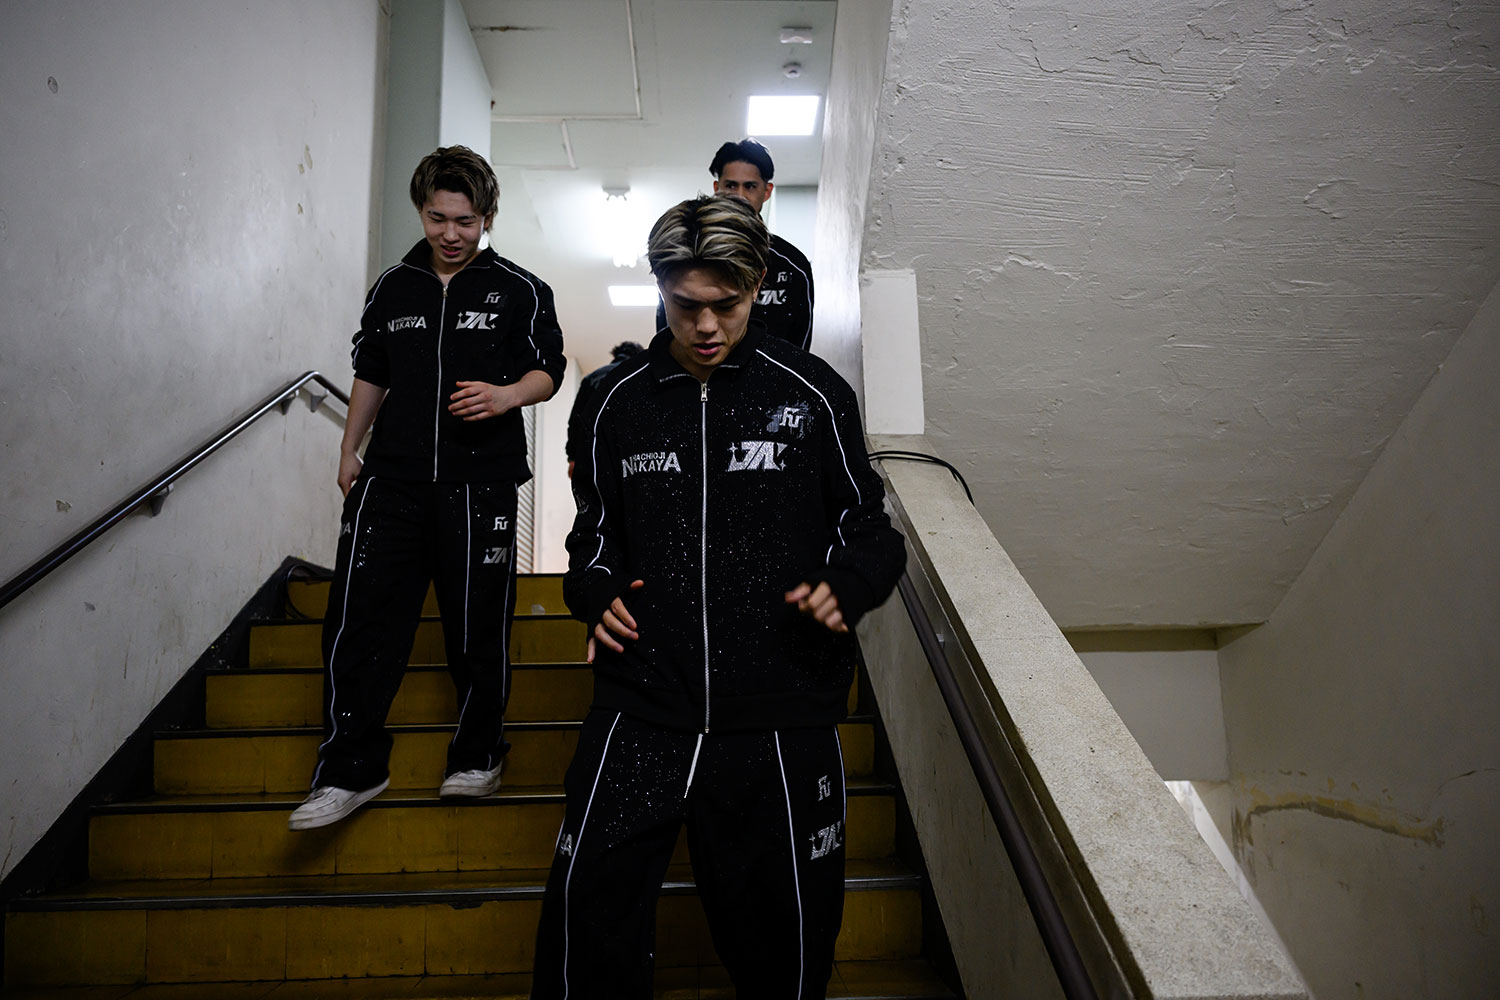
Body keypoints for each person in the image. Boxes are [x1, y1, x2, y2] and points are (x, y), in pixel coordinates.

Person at [531, 195, 904, 997]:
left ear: (757, 284)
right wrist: (594, 590)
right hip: (640, 706)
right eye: (684, 304)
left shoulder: (812, 394)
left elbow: (871, 530)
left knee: (784, 949)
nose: (704, 326)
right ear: (661, 288)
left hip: (778, 714)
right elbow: (593, 536)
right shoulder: (616, 400)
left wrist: (845, 585)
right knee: (587, 927)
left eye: (725, 305)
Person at [289, 146, 565, 831]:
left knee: (477, 625)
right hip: (392, 480)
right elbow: (372, 371)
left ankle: (477, 755)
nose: (450, 234)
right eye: (438, 218)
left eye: (465, 221)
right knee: (359, 622)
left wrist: (506, 396)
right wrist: (348, 448)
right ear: (421, 211)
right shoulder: (394, 287)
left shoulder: (521, 290)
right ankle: (349, 768)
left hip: (480, 482)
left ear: (487, 217)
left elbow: (548, 371)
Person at [654, 138, 814, 350]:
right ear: (716, 188)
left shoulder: (793, 264)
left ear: (767, 191)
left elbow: (800, 346)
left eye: (750, 186)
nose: (739, 195)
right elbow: (669, 332)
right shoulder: (687, 251)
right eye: (730, 185)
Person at [564, 340, 644, 479]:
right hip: (632, 455)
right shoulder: (641, 379)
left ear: (615, 355)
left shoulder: (592, 378)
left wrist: (573, 458)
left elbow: (576, 421)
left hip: (596, 453)